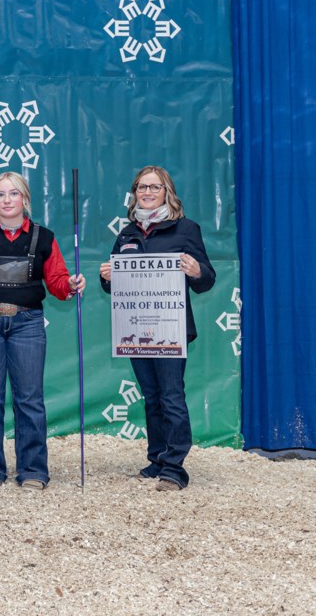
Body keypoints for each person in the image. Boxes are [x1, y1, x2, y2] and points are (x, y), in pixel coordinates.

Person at [0, 172, 85, 490]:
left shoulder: (44, 237)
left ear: (25, 199)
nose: (7, 200)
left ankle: (33, 470)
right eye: (0, 195)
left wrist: (69, 285)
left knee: (29, 398)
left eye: (13, 194)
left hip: (27, 323)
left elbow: (56, 282)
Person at [99, 165, 215, 492]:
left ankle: (175, 468)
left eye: (154, 187)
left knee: (171, 396)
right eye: (141, 187)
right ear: (134, 193)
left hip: (171, 329)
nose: (147, 193)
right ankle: (157, 459)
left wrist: (196, 270)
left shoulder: (185, 229)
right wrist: (106, 277)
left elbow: (206, 281)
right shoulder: (127, 234)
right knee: (151, 398)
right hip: (135, 329)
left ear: (167, 192)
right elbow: (114, 288)